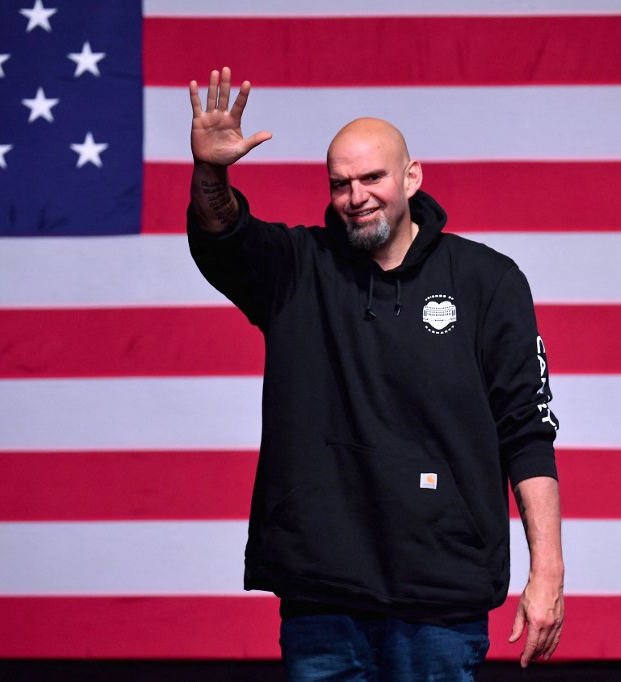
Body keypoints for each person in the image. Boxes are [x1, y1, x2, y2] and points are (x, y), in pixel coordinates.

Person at [186, 67, 564, 679]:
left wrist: (547, 571)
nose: (356, 196)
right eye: (340, 183)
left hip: (441, 597)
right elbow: (222, 234)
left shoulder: (488, 280)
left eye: (372, 178)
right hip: (322, 593)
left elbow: (527, 431)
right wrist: (210, 171)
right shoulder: (295, 269)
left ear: (411, 177)